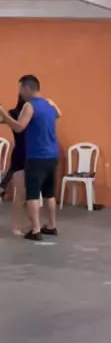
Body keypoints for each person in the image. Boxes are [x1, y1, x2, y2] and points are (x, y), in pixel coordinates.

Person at [0, 75, 61, 241]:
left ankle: (35, 230)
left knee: (32, 194)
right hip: (50, 155)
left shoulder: (30, 106)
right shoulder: (48, 105)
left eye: (21, 88)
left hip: (36, 156)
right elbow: (58, 114)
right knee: (48, 194)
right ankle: (51, 226)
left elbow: (19, 127)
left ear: (27, 88)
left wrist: (3, 113)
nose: (20, 92)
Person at [0, 95, 26, 235]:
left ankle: (2, 186)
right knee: (21, 193)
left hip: (29, 154)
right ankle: (17, 226)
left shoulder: (30, 113)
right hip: (22, 155)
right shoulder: (14, 114)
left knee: (23, 193)